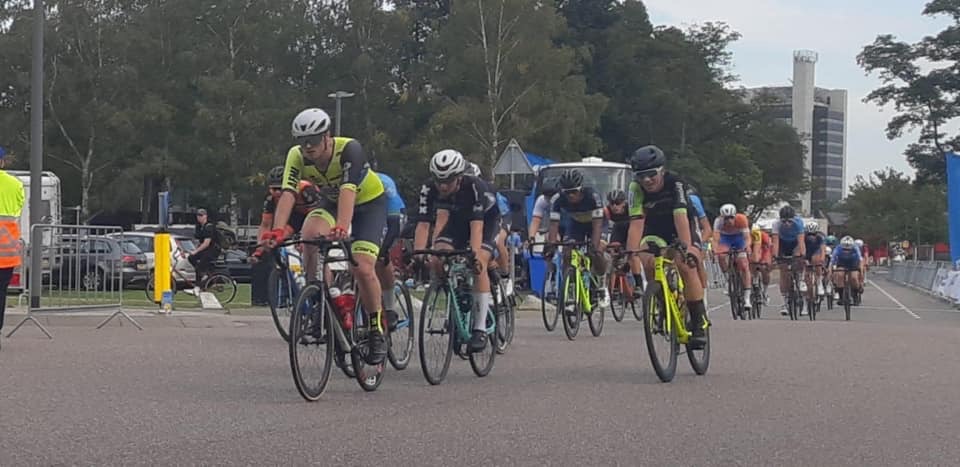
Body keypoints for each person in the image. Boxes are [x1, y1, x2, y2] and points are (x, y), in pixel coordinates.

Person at [264, 107, 389, 364]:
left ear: (327, 136)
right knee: (309, 235)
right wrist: (277, 229)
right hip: (331, 202)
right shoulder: (296, 156)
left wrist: (342, 227)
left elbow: (348, 190)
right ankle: (317, 297)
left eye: (313, 140)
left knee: (363, 267)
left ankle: (376, 327)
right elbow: (288, 193)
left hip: (368, 204)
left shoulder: (349, 149)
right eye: (302, 141)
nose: (307, 147)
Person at [413, 149, 500, 352]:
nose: (442, 186)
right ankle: (453, 290)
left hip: (486, 221)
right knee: (438, 256)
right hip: (457, 222)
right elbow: (425, 224)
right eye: (438, 180)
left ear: (459, 177)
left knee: (479, 264)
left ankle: (479, 329)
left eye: (448, 181)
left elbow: (476, 227)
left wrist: (474, 255)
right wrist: (420, 254)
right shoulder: (428, 188)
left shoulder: (474, 186)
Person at [626, 145, 707, 348]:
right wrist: (630, 253)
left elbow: (680, 215)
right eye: (640, 176)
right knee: (647, 260)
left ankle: (699, 322)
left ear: (662, 170)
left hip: (680, 226)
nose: (646, 181)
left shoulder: (676, 183)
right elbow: (636, 223)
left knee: (686, 265)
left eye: (651, 175)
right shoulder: (635, 189)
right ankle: (660, 299)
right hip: (653, 229)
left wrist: (686, 247)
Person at [547, 169, 607, 289]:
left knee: (595, 251)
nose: (571, 195)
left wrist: (594, 246)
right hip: (576, 224)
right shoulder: (557, 199)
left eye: (574, 191)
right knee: (567, 252)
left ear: (582, 188)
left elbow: (597, 225)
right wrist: (551, 245)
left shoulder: (593, 196)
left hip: (596, 223)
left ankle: (601, 283)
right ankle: (570, 287)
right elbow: (554, 225)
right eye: (567, 192)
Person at [252, 166, 323, 259]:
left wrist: (303, 239)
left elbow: (316, 216)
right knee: (277, 239)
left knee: (310, 239)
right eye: (274, 189)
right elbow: (265, 225)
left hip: (314, 214)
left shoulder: (305, 190)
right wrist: (259, 249)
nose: (277, 192)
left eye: (280, 189)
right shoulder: (270, 198)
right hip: (295, 216)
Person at [375, 164, 405, 330]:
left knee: (380, 258)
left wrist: (384, 249)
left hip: (391, 216)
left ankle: (390, 307)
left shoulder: (384, 184)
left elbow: (393, 226)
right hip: (368, 215)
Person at [0, 146, 24, 350]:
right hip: (6, 251)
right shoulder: (15, 184)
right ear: (2, 162)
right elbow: (18, 209)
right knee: (1, 293)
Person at [712, 203, 753, 310]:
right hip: (726, 239)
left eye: (731, 218)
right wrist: (714, 250)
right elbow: (716, 239)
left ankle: (747, 298)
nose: (729, 221)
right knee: (721, 256)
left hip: (739, 239)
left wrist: (747, 247)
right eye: (726, 218)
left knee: (744, 265)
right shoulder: (718, 222)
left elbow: (747, 238)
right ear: (722, 217)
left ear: (735, 216)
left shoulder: (742, 219)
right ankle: (728, 280)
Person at [771, 206, 806, 316]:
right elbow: (776, 243)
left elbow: (801, 242)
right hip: (783, 244)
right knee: (784, 271)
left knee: (799, 259)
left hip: (795, 243)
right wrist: (775, 257)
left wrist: (803, 255)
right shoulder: (776, 224)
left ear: (794, 219)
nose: (786, 224)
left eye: (789, 221)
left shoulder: (799, 223)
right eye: (784, 221)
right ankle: (784, 301)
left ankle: (801, 280)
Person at [188, 208, 222, 293]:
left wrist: (196, 251)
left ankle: (197, 287)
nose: (199, 217)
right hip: (206, 249)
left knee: (199, 266)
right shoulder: (199, 227)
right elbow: (200, 241)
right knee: (191, 258)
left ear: (205, 216)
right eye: (198, 215)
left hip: (213, 250)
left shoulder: (209, 227)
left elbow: (206, 243)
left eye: (201, 215)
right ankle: (204, 274)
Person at [830, 236, 863, 305]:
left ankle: (855, 295)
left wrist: (861, 272)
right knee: (839, 275)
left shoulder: (855, 248)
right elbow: (832, 260)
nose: (846, 251)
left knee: (854, 277)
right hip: (842, 263)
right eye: (844, 249)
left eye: (848, 249)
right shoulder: (838, 248)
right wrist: (830, 270)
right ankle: (841, 297)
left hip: (853, 263)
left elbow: (860, 261)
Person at [802, 221, 827, 301]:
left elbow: (823, 249)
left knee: (817, 261)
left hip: (816, 251)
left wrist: (822, 259)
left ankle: (819, 283)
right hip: (806, 251)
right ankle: (803, 279)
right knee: (804, 267)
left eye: (813, 234)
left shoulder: (821, 237)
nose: (811, 237)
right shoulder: (803, 236)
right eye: (809, 234)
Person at [750, 226, 773, 303]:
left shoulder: (764, 236)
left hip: (763, 249)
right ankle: (754, 280)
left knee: (763, 267)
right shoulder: (743, 234)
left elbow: (767, 250)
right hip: (751, 249)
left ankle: (765, 292)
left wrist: (765, 261)